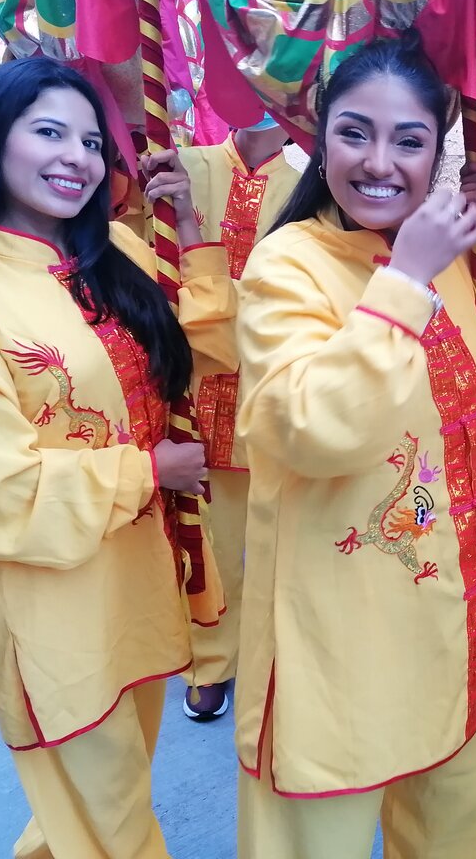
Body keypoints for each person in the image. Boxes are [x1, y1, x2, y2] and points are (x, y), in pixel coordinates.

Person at [233, 32, 476, 857]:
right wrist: (405, 280)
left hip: (454, 617)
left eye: (409, 141)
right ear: (320, 140)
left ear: (436, 154)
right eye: (355, 132)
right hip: (341, 628)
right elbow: (308, 427)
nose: (379, 162)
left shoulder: (438, 246)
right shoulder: (287, 265)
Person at [0, 56, 236, 859]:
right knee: (111, 821)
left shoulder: (114, 250)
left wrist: (192, 234)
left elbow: (203, 357)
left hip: (138, 579)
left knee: (98, 805)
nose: (77, 158)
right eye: (50, 133)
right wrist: (149, 472)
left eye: (92, 142)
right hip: (50, 608)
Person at [181, 114, 300, 721]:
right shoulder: (185, 165)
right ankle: (211, 661)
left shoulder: (307, 188)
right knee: (210, 540)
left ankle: (278, 663)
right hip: (195, 384)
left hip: (273, 390)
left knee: (284, 545)